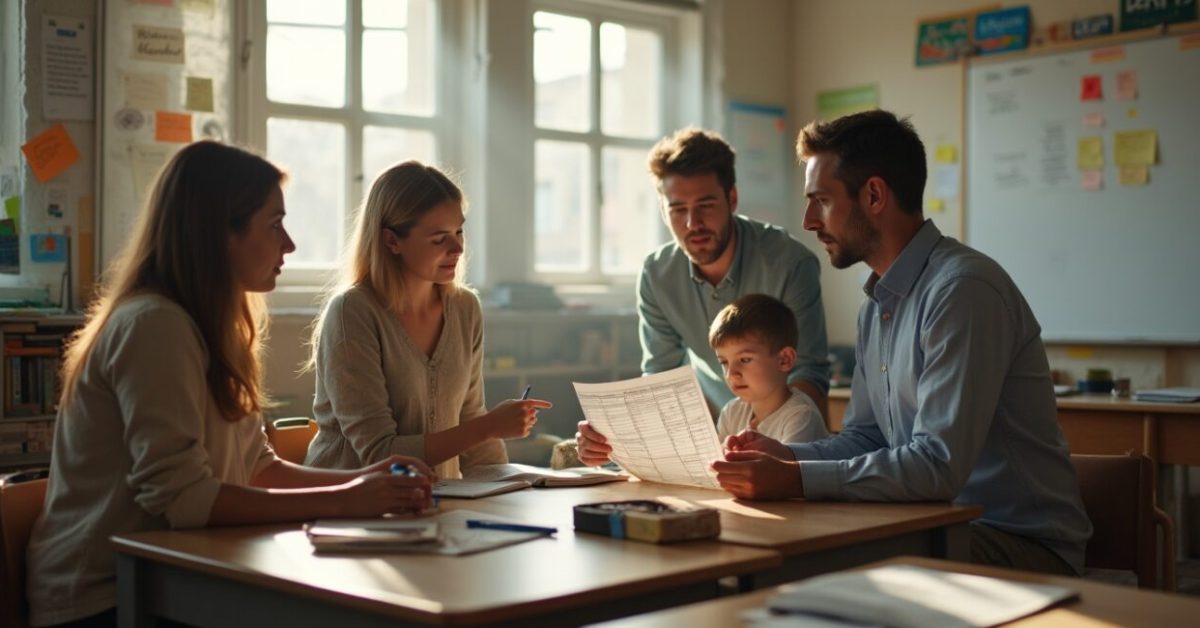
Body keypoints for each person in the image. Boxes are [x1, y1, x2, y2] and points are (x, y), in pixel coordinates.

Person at [25, 142, 432, 628]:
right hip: (105, 597)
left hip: (181, 576)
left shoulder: (216, 327)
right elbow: (184, 499)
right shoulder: (154, 325)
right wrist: (348, 500)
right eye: (274, 224)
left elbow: (255, 468)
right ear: (218, 234)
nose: (290, 245)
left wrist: (362, 480)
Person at [711, 110, 1092, 576]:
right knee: (764, 550)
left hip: (1017, 541)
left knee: (802, 564)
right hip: (928, 519)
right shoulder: (877, 302)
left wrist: (795, 476)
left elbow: (936, 467)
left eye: (821, 201)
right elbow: (867, 437)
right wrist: (785, 454)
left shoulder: (962, 291)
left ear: (873, 195)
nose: (809, 221)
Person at [576, 128, 830, 465]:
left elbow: (807, 374)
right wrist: (613, 442)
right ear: (663, 210)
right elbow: (660, 380)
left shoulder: (789, 263)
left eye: (706, 205)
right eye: (678, 209)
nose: (693, 223)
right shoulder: (657, 274)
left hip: (786, 439)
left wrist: (786, 454)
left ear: (733, 199)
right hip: (716, 435)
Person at [304, 161, 551, 479]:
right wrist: (488, 427)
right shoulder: (352, 312)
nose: (458, 248)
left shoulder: (464, 307)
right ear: (392, 241)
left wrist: (509, 487)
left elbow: (469, 415)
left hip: (435, 503)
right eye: (439, 239)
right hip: (353, 508)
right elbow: (379, 453)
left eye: (459, 231)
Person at [710, 294, 829, 445]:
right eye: (724, 362)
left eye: (745, 360)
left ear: (785, 360)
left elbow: (782, 469)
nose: (731, 373)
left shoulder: (801, 416)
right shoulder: (731, 412)